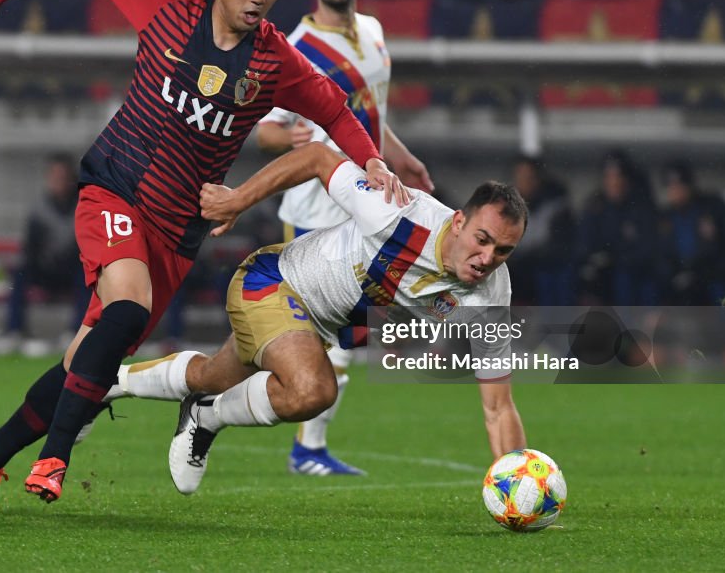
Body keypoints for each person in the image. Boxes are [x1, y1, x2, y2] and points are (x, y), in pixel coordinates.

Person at [0, 0, 408, 512]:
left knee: (86, 364)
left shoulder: (274, 60)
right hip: (116, 187)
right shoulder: (166, 0)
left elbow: (334, 108)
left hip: (177, 229)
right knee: (126, 309)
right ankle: (56, 459)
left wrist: (372, 160)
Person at [100, 142, 527, 494]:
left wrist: (516, 483)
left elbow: (498, 406)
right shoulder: (398, 213)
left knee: (212, 376)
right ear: (458, 222)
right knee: (314, 389)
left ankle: (109, 381)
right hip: (273, 282)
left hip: (316, 326)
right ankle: (206, 416)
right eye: (482, 240)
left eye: (503, 251)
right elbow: (317, 157)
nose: (488, 258)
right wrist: (238, 200)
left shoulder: (491, 294)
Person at [255, 0, 435, 476]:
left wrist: (399, 154)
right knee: (320, 338)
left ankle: (306, 447)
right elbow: (265, 129)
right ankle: (281, 437)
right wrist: (288, 139)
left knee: (345, 336)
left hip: (370, 202)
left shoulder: (375, 33)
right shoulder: (294, 47)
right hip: (316, 211)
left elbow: (369, 111)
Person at [4, 153, 89, 345]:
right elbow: (30, 247)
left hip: (73, 269)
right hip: (45, 269)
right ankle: (14, 331)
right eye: (54, 177)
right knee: (19, 272)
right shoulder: (40, 210)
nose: (58, 182)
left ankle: (76, 331)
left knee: (87, 275)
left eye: (62, 177)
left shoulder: (83, 207)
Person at [575, 150, 659, 306]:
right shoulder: (595, 205)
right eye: (609, 177)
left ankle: (627, 326)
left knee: (625, 279)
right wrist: (594, 259)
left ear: (627, 180)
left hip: (630, 270)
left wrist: (617, 259)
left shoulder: (640, 207)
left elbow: (647, 250)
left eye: (618, 176)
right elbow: (583, 242)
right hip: (601, 270)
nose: (613, 182)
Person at [659, 159, 725, 305]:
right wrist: (674, 274)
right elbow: (660, 254)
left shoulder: (714, 208)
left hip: (716, 278)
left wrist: (716, 270)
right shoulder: (666, 218)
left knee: (724, 302)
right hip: (681, 281)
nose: (676, 191)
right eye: (671, 187)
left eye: (680, 186)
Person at [510, 156, 575, 306]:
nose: (524, 182)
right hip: (518, 265)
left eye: (529, 177)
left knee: (552, 278)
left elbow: (561, 245)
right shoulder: (507, 204)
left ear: (538, 179)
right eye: (520, 177)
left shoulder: (556, 205)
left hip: (548, 264)